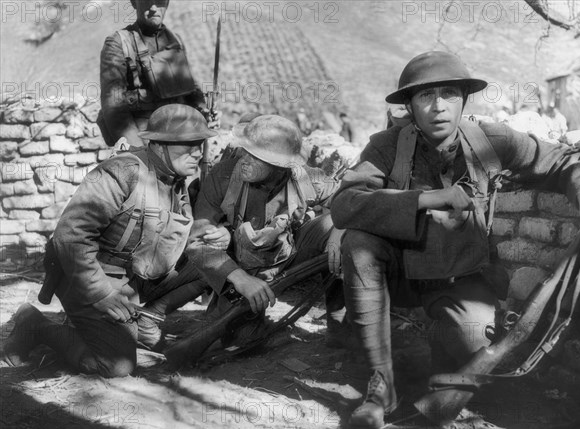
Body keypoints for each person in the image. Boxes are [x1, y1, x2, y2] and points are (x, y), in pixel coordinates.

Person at [330, 51, 580, 429]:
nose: (438, 106)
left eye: (449, 93)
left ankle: (445, 354)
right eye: (425, 96)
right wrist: (427, 199)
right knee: (358, 244)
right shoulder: (386, 146)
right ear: (409, 105)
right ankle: (381, 385)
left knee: (475, 354)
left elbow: (560, 159)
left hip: (461, 279)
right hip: (401, 275)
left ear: (464, 99)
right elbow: (344, 204)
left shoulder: (491, 139)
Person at [3, 104, 229, 378]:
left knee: (215, 263)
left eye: (200, 144)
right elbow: (70, 237)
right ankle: (35, 323)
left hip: (135, 272)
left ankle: (145, 320)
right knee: (116, 366)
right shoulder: (121, 172)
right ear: (158, 145)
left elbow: (162, 234)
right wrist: (102, 295)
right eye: (187, 145)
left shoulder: (175, 177)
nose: (197, 152)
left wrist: (215, 236)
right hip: (88, 275)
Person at [187, 114, 347, 347]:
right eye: (245, 150)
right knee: (238, 337)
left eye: (256, 156)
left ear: (281, 165)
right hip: (242, 270)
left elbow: (353, 199)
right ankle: (255, 327)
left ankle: (340, 325)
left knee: (343, 233)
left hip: (289, 258)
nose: (244, 160)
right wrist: (239, 278)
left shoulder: (305, 179)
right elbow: (198, 243)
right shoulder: (223, 176)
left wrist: (339, 226)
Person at [99, 0, 210, 148]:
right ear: (134, 3)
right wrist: (138, 152)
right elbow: (113, 106)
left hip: (181, 138)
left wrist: (204, 112)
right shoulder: (119, 43)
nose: (153, 8)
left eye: (159, 1)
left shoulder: (175, 40)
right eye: (147, 1)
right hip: (145, 140)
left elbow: (189, 87)